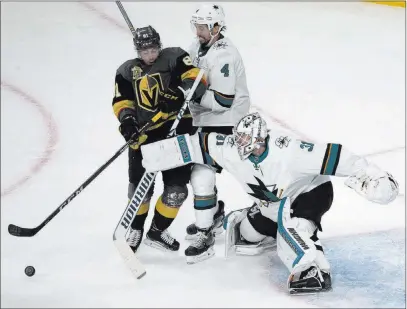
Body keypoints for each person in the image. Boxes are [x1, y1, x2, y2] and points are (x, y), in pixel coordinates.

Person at [140, 112, 399, 294]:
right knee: (245, 235)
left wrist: (371, 175)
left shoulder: (290, 151)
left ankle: (314, 270)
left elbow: (336, 156)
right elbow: (197, 144)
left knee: (296, 229)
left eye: (245, 140)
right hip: (272, 203)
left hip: (309, 193)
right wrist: (156, 154)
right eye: (238, 138)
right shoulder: (231, 149)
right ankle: (275, 230)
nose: (239, 143)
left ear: (260, 139)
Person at [112, 25, 207, 253]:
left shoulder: (175, 57)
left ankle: (157, 231)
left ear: (160, 46)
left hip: (178, 132)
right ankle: (135, 228)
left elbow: (198, 79)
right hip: (145, 135)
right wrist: (127, 122)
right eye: (145, 52)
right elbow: (121, 101)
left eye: (154, 50)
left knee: (177, 191)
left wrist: (179, 95)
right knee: (139, 191)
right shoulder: (126, 71)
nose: (150, 55)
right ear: (137, 51)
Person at [184, 3, 251, 264]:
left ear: (216, 27)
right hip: (206, 120)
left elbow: (223, 101)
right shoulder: (198, 45)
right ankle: (212, 217)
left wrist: (193, 92)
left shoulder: (225, 55)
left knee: (201, 175)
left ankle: (206, 232)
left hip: (228, 123)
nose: (198, 31)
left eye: (202, 26)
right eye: (196, 26)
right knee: (200, 174)